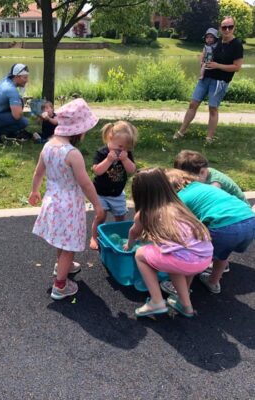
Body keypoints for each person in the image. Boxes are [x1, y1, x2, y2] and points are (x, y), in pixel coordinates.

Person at [28, 98, 104, 300]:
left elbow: (37, 173)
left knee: (62, 238)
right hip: (69, 205)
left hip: (53, 201)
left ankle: (63, 266)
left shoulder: (48, 146)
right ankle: (60, 286)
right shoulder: (73, 154)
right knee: (69, 246)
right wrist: (98, 205)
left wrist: (35, 191)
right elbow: (86, 183)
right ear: (79, 130)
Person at [123, 168, 213, 318]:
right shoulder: (179, 207)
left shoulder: (145, 213)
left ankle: (156, 301)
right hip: (204, 258)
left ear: (139, 193)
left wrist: (129, 245)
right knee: (172, 259)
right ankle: (186, 306)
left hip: (186, 261)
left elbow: (133, 233)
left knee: (140, 255)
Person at [165, 169, 255, 296]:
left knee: (194, 254)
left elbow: (177, 225)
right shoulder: (204, 187)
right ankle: (213, 282)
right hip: (249, 220)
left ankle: (180, 289)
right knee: (223, 253)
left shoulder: (179, 198)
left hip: (225, 227)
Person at [174, 16, 243, 143]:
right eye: (224, 27)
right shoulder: (216, 42)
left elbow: (237, 67)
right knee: (193, 104)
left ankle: (209, 138)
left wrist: (218, 66)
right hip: (205, 78)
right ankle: (181, 131)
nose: (227, 29)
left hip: (220, 82)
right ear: (220, 28)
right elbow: (204, 52)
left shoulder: (237, 45)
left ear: (234, 28)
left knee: (213, 108)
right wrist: (202, 62)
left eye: (230, 27)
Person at [89, 121, 137, 250]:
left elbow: (132, 170)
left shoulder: (126, 154)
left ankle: (120, 237)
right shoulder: (102, 153)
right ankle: (94, 236)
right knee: (100, 216)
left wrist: (125, 159)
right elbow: (97, 170)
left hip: (117, 193)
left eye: (126, 148)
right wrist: (109, 160)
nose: (122, 150)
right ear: (110, 139)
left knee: (120, 217)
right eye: (120, 146)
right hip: (100, 193)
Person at [0, 63, 31, 145]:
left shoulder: (7, 80)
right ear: (17, 77)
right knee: (24, 122)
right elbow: (17, 115)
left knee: (20, 102)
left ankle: (10, 133)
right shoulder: (11, 90)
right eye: (25, 77)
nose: (27, 80)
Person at [174, 150, 249, 204]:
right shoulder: (203, 173)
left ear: (202, 172)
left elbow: (206, 201)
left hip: (237, 210)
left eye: (189, 179)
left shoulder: (215, 183)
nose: (186, 182)